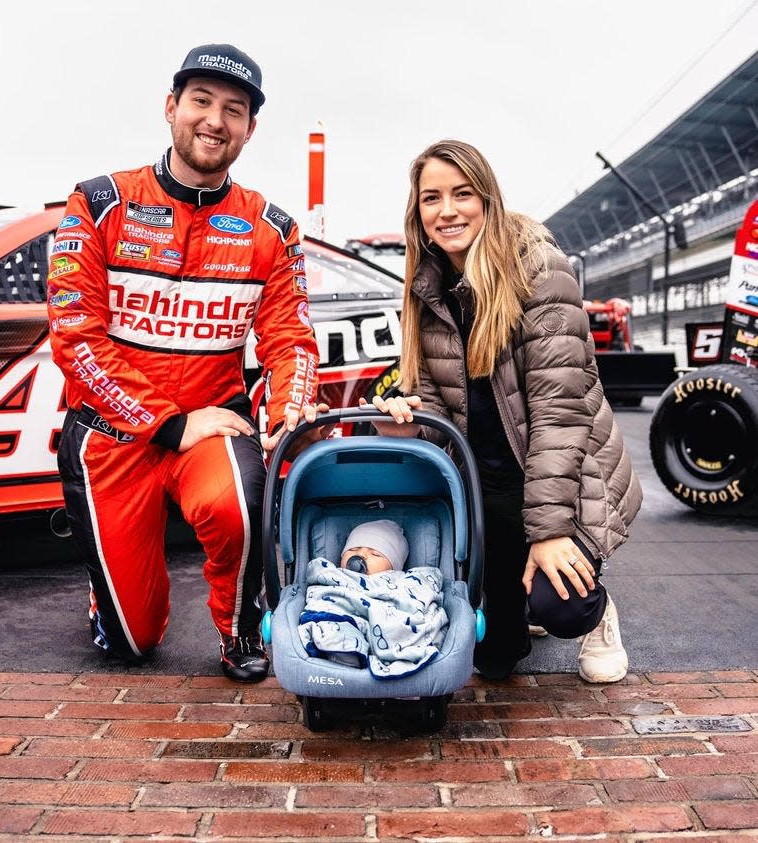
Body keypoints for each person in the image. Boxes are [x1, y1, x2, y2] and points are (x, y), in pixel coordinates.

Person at [47, 43, 321, 683]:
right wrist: (170, 423)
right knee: (130, 644)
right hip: (112, 434)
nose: (215, 121)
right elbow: (75, 337)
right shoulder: (98, 203)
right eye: (201, 101)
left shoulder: (271, 228)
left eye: (234, 110)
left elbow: (291, 340)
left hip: (213, 428)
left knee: (239, 505)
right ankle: (111, 599)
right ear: (171, 107)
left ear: (249, 130)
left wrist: (289, 414)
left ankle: (240, 626)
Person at [364, 139, 643, 683]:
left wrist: (550, 533)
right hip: (487, 486)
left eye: (462, 194)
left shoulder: (539, 267)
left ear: (487, 199)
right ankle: (519, 594)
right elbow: (434, 411)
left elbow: (562, 415)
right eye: (431, 198)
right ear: (417, 213)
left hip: (564, 471)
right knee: (495, 662)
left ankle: (596, 608)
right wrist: (399, 415)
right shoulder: (427, 287)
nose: (447, 211)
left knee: (559, 607)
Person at [298, 520, 449, 676]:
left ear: (394, 566)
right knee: (329, 620)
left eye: (375, 553)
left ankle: (368, 648)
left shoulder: (401, 580)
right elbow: (320, 593)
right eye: (354, 549)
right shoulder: (334, 574)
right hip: (345, 613)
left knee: (404, 624)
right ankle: (344, 649)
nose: (361, 555)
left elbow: (415, 597)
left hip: (384, 620)